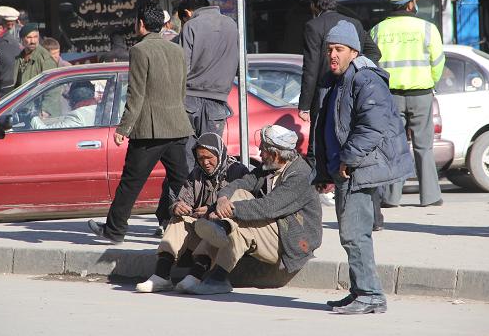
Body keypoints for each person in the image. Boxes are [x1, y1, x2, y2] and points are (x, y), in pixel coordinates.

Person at [313, 21, 413, 314]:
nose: (332, 54)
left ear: (353, 51)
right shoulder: (335, 80)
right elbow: (327, 128)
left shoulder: (365, 80)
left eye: (339, 49)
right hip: (345, 169)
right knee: (351, 232)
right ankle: (361, 291)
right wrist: (323, 171)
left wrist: (348, 158)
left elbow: (373, 126)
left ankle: (370, 294)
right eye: (329, 49)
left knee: (355, 233)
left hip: (359, 168)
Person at [87, 2, 193, 244]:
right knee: (182, 181)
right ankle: (188, 227)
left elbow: (136, 94)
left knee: (131, 183)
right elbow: (181, 90)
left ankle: (114, 231)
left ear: (141, 24)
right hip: (177, 125)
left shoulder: (140, 50)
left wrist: (124, 128)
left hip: (150, 131)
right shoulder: (176, 50)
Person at [182, 124, 323, 295]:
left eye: (263, 149)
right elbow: (240, 183)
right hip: (274, 229)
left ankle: (217, 276)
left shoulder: (301, 175)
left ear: (275, 154)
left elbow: (269, 207)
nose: (260, 152)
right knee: (240, 194)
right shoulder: (270, 168)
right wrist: (222, 199)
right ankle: (221, 233)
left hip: (293, 240)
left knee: (240, 226)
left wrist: (229, 211)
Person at [136, 132, 249, 293]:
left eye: (209, 157)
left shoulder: (237, 172)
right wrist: (177, 207)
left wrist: (211, 209)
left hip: (227, 236)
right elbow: (182, 200)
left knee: (214, 227)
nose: (206, 162)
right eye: (201, 158)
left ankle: (195, 276)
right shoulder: (196, 174)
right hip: (199, 230)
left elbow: (242, 205)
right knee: (178, 220)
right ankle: (161, 275)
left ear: (220, 153)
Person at [370, 0, 445, 208]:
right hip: (421, 93)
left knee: (394, 146)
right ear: (411, 3)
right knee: (424, 146)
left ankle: (391, 197)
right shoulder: (427, 28)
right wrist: (430, 82)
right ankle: (430, 196)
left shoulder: (377, 30)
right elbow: (438, 62)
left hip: (389, 97)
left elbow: (372, 66)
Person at [298, 0, 382, 161]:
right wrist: (355, 70)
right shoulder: (354, 24)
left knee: (319, 146)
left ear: (313, 4)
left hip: (324, 96)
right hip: (351, 91)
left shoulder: (313, 26)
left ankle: (321, 185)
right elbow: (375, 52)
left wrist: (304, 105)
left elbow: (310, 69)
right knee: (347, 138)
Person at [177, 0, 238, 170]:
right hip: (218, 102)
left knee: (188, 157)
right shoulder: (231, 25)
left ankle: (189, 197)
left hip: (189, 99)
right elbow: (241, 63)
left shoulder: (191, 26)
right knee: (212, 156)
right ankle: (212, 195)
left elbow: (183, 67)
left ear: (187, 13)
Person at [30, 81, 97, 130]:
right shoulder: (98, 109)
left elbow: (45, 131)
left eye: (70, 101)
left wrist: (33, 116)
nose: (70, 104)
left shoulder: (78, 116)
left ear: (74, 101)